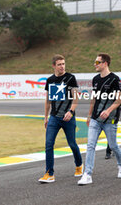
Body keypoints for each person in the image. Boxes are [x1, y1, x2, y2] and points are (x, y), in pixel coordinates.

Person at [78, 53, 121, 185]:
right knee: (90, 145)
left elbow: (119, 100)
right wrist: (89, 115)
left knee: (113, 145)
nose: (95, 64)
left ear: (105, 63)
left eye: (97, 62)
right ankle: (87, 174)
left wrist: (108, 111)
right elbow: (94, 99)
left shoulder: (114, 79)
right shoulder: (95, 79)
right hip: (95, 119)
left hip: (110, 120)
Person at [38, 54, 83, 183]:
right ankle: (49, 173)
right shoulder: (50, 80)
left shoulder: (70, 78)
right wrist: (46, 117)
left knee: (72, 144)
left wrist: (71, 111)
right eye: (59, 64)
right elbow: (48, 100)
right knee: (48, 144)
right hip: (54, 117)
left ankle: (79, 165)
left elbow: (76, 97)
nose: (62, 66)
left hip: (68, 117)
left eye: (63, 64)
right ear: (54, 66)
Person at [105, 89, 121, 159]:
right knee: (111, 135)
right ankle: (112, 149)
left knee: (111, 134)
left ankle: (108, 151)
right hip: (105, 116)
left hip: (114, 118)